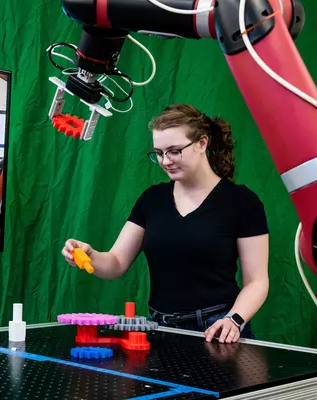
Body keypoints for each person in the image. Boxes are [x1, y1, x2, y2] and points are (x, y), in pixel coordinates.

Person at [62, 104, 269, 344]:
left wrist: (234, 319)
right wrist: (90, 255)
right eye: (158, 153)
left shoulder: (242, 201)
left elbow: (257, 281)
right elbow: (116, 263)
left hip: (218, 331)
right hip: (160, 329)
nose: (165, 161)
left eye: (174, 151)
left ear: (202, 143)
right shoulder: (152, 199)